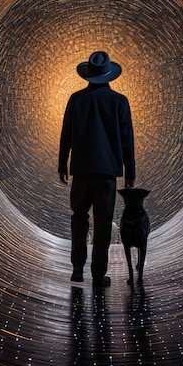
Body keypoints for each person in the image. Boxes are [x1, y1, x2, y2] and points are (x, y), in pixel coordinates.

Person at [58, 51, 135, 287]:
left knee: (78, 218)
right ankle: (99, 274)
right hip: (107, 173)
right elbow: (126, 140)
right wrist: (130, 172)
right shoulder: (119, 101)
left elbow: (66, 135)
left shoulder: (76, 99)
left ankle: (77, 270)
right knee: (103, 224)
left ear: (89, 74)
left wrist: (62, 163)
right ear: (109, 74)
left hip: (81, 170)